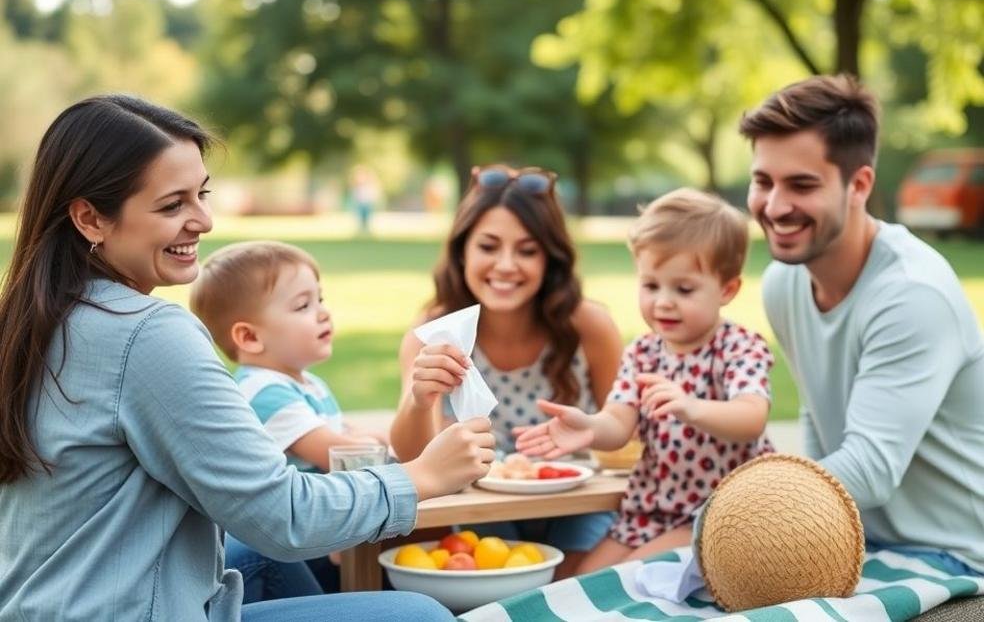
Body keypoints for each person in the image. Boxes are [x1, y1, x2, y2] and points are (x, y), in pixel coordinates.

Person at [0, 95, 496, 621]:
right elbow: (281, 515)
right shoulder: (145, 334)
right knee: (420, 615)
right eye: (173, 205)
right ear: (90, 219)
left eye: (202, 194)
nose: (204, 220)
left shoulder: (33, 322)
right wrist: (424, 476)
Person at [740, 74, 984, 576]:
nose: (775, 206)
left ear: (860, 185)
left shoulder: (911, 294)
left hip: (956, 556)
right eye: (763, 181)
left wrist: (739, 511)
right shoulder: (783, 283)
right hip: (857, 542)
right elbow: (816, 414)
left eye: (801, 185)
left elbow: (870, 471)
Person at [515, 188, 775, 574]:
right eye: (651, 285)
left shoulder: (738, 347)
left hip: (719, 513)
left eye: (683, 289)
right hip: (651, 507)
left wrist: (692, 407)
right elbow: (619, 423)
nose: (663, 302)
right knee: (584, 579)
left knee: (628, 579)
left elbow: (751, 417)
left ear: (727, 289)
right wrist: (589, 428)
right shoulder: (643, 352)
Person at [388, 163, 624, 577]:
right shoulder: (438, 332)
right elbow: (411, 456)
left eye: (527, 250)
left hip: (577, 506)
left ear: (550, 258)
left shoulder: (589, 327)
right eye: (489, 246)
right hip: (484, 515)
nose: (506, 265)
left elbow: (626, 439)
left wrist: (594, 429)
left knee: (570, 590)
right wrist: (418, 399)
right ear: (463, 250)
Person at [189, 241, 389, 602]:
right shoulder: (263, 392)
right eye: (303, 305)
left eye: (321, 299)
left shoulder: (306, 383)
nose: (323, 313)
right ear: (249, 337)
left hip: (316, 529)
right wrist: (383, 442)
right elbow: (340, 454)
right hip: (291, 542)